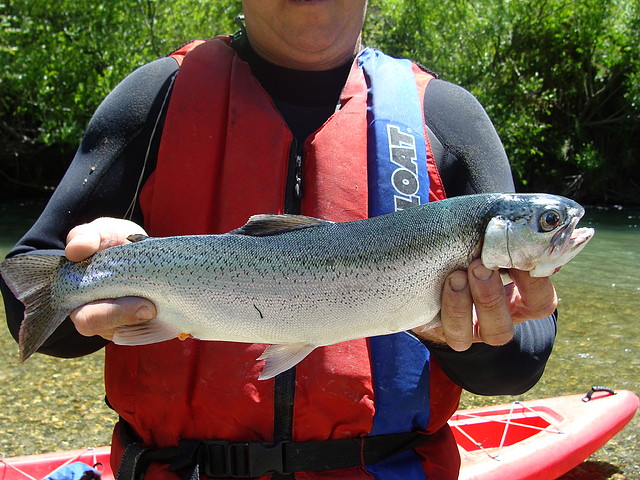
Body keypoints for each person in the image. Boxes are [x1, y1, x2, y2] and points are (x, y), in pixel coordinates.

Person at [1, 1, 558, 479]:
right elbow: (29, 289)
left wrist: (473, 337)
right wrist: (93, 285)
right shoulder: (154, 98)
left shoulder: (448, 118)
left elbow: (516, 368)